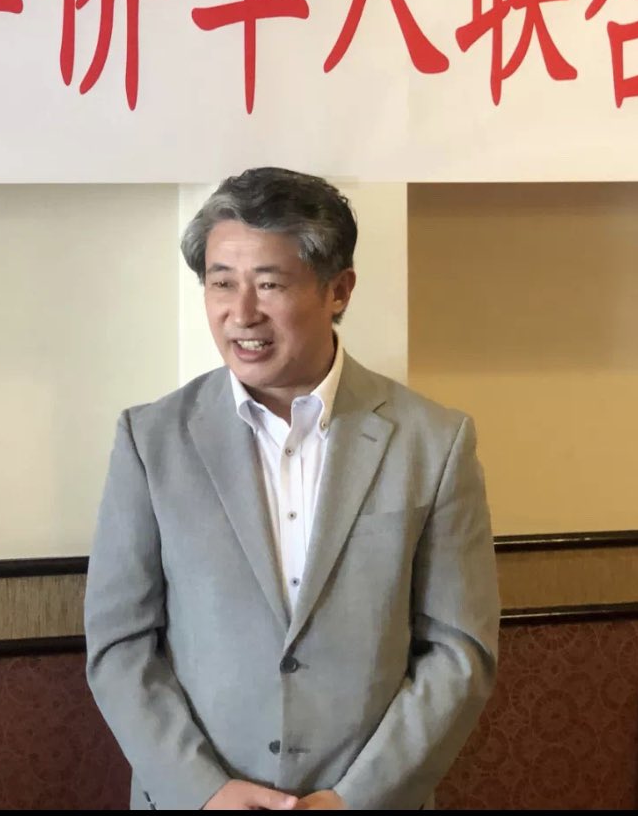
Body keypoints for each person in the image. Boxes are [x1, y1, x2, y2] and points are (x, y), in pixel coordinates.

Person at [84, 167, 499, 811]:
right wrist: (204, 792)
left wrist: (355, 800)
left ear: (339, 290)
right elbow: (119, 646)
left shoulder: (434, 442)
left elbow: (458, 652)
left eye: (270, 283)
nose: (241, 312)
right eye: (221, 282)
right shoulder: (150, 440)